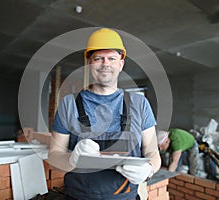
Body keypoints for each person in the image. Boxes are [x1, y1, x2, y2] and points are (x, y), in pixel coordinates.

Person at [48, 28, 161, 200]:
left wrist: (149, 169)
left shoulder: (140, 104)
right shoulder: (69, 104)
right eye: (98, 58)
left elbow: (153, 152)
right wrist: (71, 158)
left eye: (112, 58)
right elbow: (54, 155)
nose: (105, 64)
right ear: (89, 63)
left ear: (121, 64)